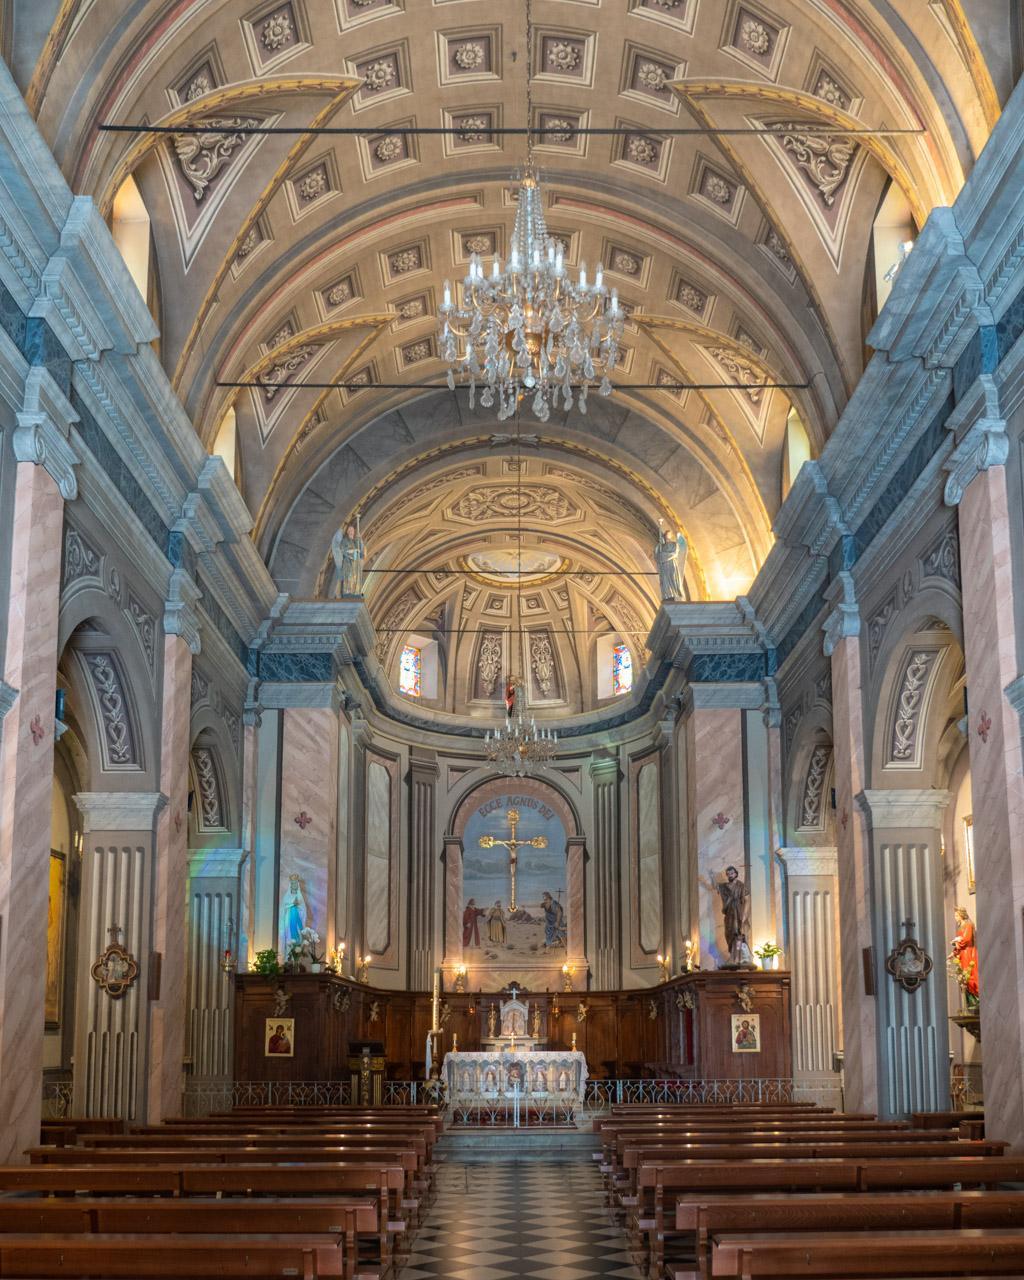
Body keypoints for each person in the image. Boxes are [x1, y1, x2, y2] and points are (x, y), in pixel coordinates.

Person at [718, 866, 751, 958]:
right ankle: (732, 954)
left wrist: (744, 914)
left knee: (738, 933)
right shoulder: (724, 887)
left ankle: (738, 955)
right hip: (729, 914)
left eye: (732, 873)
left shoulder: (740, 886)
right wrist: (708, 878)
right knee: (729, 933)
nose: (730, 875)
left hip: (738, 912)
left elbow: (747, 899)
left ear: (736, 874)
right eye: (728, 874)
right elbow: (714, 886)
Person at [949, 906, 980, 1006]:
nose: (955, 917)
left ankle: (975, 1000)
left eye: (957, 915)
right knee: (963, 977)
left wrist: (956, 941)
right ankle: (969, 1003)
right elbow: (960, 943)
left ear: (962, 915)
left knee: (969, 975)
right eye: (955, 915)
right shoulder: (961, 926)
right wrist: (953, 953)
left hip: (968, 953)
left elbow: (966, 939)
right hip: (962, 954)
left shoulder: (968, 925)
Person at [331, 521, 366, 597]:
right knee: (349, 576)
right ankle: (348, 591)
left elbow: (361, 550)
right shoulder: (345, 541)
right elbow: (343, 550)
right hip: (348, 562)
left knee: (355, 578)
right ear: (347, 532)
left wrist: (359, 540)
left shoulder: (355, 541)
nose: (351, 532)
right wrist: (353, 552)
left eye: (352, 530)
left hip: (355, 564)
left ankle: (355, 591)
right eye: (349, 530)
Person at [653, 526, 688, 600]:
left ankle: (674, 594)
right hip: (664, 566)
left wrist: (663, 556)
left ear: (670, 536)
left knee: (673, 580)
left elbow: (674, 553)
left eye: (668, 534)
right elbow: (657, 556)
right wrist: (660, 555)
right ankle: (667, 595)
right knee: (665, 581)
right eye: (665, 534)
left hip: (671, 565)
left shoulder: (674, 544)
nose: (666, 536)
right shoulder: (660, 547)